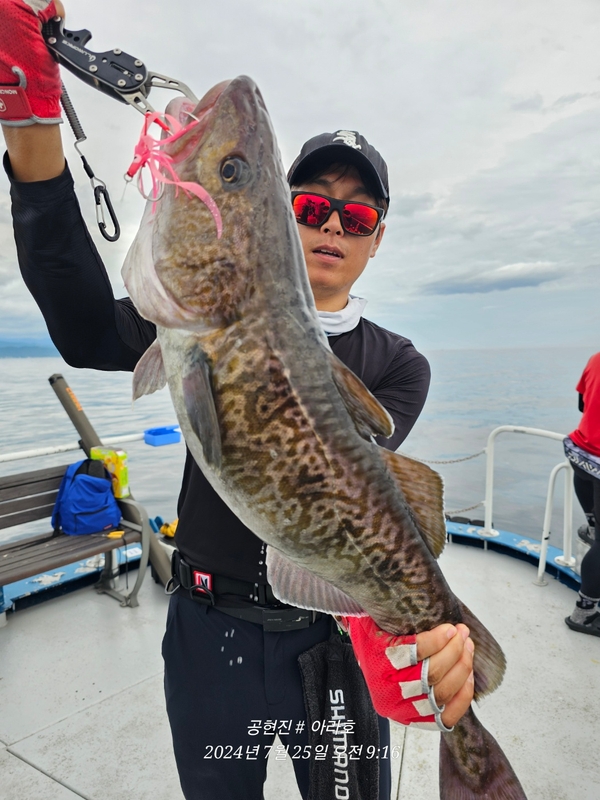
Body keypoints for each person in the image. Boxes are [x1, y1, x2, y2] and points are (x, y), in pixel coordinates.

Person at [1, 2, 475, 798]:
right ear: (281, 218)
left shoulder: (398, 365)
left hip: (330, 651)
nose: (331, 224)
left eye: (355, 214)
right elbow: (82, 328)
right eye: (310, 204)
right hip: (206, 636)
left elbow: (357, 497)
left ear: (377, 236)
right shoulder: (190, 319)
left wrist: (412, 626)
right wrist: (29, 123)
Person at [564, 352, 600, 637]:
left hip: (581, 455)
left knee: (596, 532)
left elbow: (582, 404)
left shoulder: (596, 358)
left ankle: (592, 524)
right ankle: (584, 613)